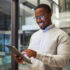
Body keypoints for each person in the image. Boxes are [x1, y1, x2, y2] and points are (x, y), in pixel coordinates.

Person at [14, 4, 70, 70]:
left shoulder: (62, 35)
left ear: (50, 15)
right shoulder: (34, 36)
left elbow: (63, 62)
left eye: (41, 17)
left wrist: (37, 55)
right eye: (36, 18)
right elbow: (31, 59)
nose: (38, 20)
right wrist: (23, 59)